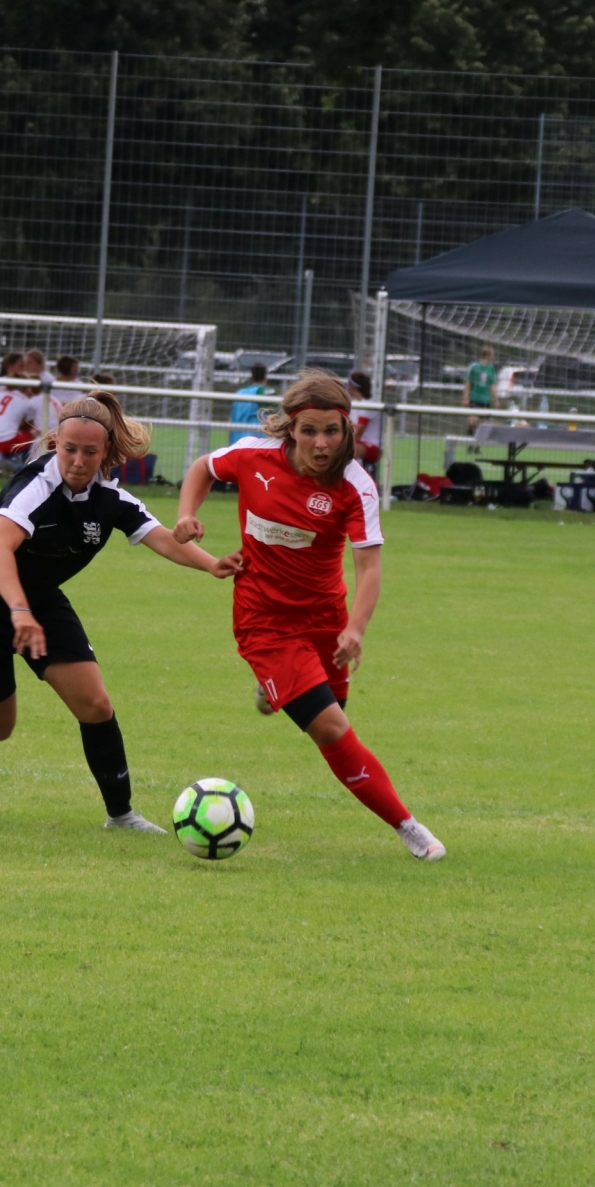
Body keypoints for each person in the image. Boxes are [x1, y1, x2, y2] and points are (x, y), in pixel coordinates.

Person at [0, 390, 242, 832]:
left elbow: (159, 535)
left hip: (38, 601)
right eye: (69, 449)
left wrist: (212, 564)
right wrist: (19, 611)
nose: (78, 461)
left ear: (106, 452)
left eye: (89, 452)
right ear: (55, 444)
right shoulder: (35, 488)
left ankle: (121, 815)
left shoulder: (109, 498)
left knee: (95, 703)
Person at [172, 369, 447, 862]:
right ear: (291, 429)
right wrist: (186, 514)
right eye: (310, 431)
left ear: (347, 429)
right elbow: (203, 467)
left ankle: (275, 688)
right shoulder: (254, 457)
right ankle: (409, 827)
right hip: (263, 621)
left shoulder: (355, 485)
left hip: (326, 619)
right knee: (331, 729)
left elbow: (369, 567)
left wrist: (355, 629)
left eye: (332, 431)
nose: (322, 444)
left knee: (336, 716)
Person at [0, 354, 38, 462]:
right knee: (34, 434)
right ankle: (21, 464)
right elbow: (29, 425)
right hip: (6, 443)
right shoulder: (26, 401)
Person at [230, 363, 274, 442]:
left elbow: (231, 418)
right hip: (255, 440)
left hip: (236, 439)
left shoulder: (239, 393)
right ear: (265, 377)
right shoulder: (262, 391)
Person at [348, 369, 381, 472]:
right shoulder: (354, 404)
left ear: (353, 387)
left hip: (371, 446)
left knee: (348, 451)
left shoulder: (368, 404)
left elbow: (358, 433)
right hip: (359, 443)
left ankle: (358, 477)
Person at [464, 344, 498, 429]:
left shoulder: (491, 368)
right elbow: (468, 383)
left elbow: (492, 385)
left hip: (486, 399)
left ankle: (479, 436)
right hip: (474, 398)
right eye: (492, 355)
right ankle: (470, 436)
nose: (493, 357)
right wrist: (465, 398)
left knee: (485, 423)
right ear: (488, 355)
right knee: (473, 420)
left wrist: (495, 400)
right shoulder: (474, 367)